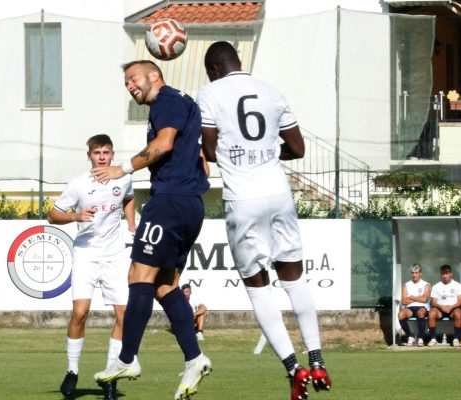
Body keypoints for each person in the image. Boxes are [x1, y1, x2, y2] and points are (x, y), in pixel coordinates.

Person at [197, 41, 331, 400]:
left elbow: (210, 149)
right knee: (294, 276)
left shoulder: (209, 93)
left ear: (213, 68)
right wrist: (269, 151)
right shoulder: (272, 92)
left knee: (258, 286)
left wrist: (229, 153)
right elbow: (298, 149)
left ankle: (293, 367)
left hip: (244, 200)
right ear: (238, 62)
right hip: (279, 194)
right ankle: (316, 358)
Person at [92, 60, 212, 400]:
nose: (129, 85)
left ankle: (126, 359)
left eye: (133, 78)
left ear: (154, 75)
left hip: (171, 201)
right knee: (164, 284)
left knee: (138, 276)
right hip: (189, 204)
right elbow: (199, 154)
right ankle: (194, 357)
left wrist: (124, 168)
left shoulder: (167, 101)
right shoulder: (180, 102)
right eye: (126, 82)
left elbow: (163, 145)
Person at [47, 134, 137, 400]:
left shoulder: (123, 178)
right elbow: (53, 215)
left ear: (112, 154)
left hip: (114, 255)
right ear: (89, 156)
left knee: (124, 315)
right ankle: (72, 370)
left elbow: (129, 198)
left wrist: (131, 223)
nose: (101, 157)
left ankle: (110, 375)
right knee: (80, 313)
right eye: (96, 152)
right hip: (86, 253)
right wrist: (75, 215)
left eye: (106, 152)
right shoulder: (78, 185)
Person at [426, 264, 461, 347]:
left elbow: (460, 301)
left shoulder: (458, 285)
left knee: (458, 313)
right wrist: (442, 307)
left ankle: (456, 338)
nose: (445, 275)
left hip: (453, 309)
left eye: (447, 273)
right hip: (440, 310)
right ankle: (433, 339)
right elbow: (434, 302)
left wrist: (450, 307)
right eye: (443, 273)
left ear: (451, 274)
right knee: (431, 313)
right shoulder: (436, 286)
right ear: (441, 274)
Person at [398, 264, 431, 347]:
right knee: (401, 314)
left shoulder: (426, 285)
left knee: (421, 313)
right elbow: (404, 301)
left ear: (420, 273)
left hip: (422, 307)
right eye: (412, 273)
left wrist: (412, 297)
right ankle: (410, 337)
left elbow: (425, 299)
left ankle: (421, 338)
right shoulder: (406, 285)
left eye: (416, 273)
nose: (414, 275)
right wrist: (419, 298)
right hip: (410, 308)